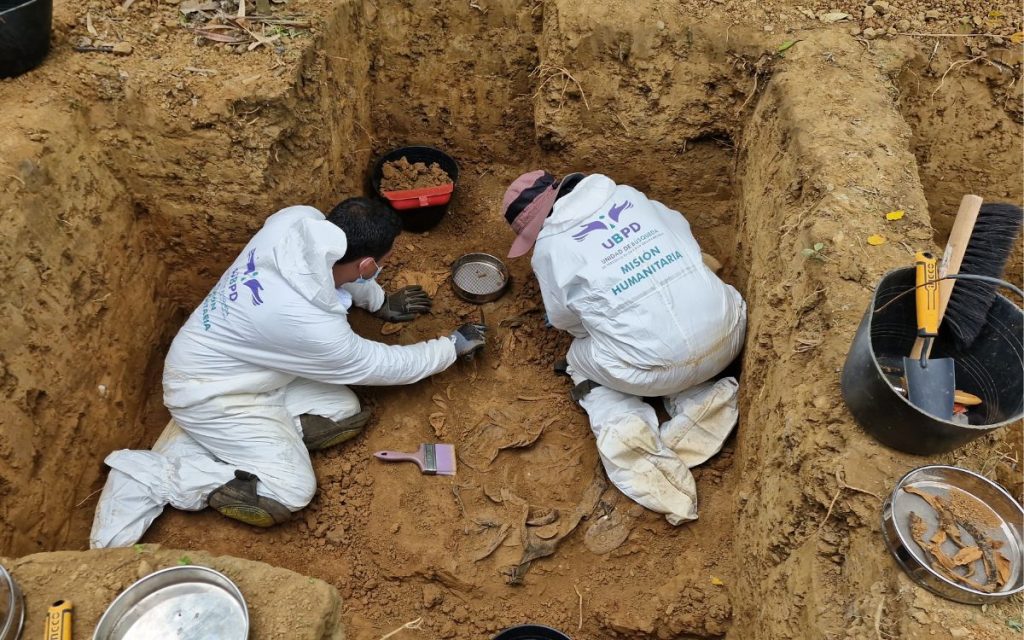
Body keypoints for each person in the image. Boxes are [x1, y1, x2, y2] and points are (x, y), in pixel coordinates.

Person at [90, 198, 487, 548]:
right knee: (292, 491)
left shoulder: (295, 220)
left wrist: (381, 301)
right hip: (207, 393)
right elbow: (381, 365)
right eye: (380, 265)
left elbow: (343, 272)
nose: (379, 268)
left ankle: (261, 437)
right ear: (369, 263)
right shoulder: (310, 325)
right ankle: (176, 471)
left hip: (249, 366)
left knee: (342, 409)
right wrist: (449, 346)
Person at [502, 171, 746, 524]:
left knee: (579, 360)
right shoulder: (629, 196)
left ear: (537, 223)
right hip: (730, 331)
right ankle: (701, 399)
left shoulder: (550, 247)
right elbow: (687, 243)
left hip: (652, 371)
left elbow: (566, 323)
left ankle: (625, 431)